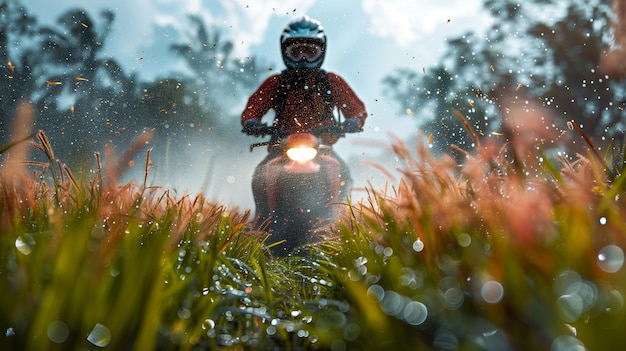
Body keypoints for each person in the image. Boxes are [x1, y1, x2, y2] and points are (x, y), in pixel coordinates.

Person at [241, 15, 367, 222]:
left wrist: (354, 121)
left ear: (321, 52)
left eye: (310, 52)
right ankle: (262, 223)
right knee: (260, 176)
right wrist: (251, 122)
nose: (303, 59)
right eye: (296, 52)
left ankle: (340, 223)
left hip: (323, 147)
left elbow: (356, 109)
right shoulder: (276, 83)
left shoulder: (331, 82)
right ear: (285, 53)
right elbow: (254, 108)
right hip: (281, 146)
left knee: (343, 175)